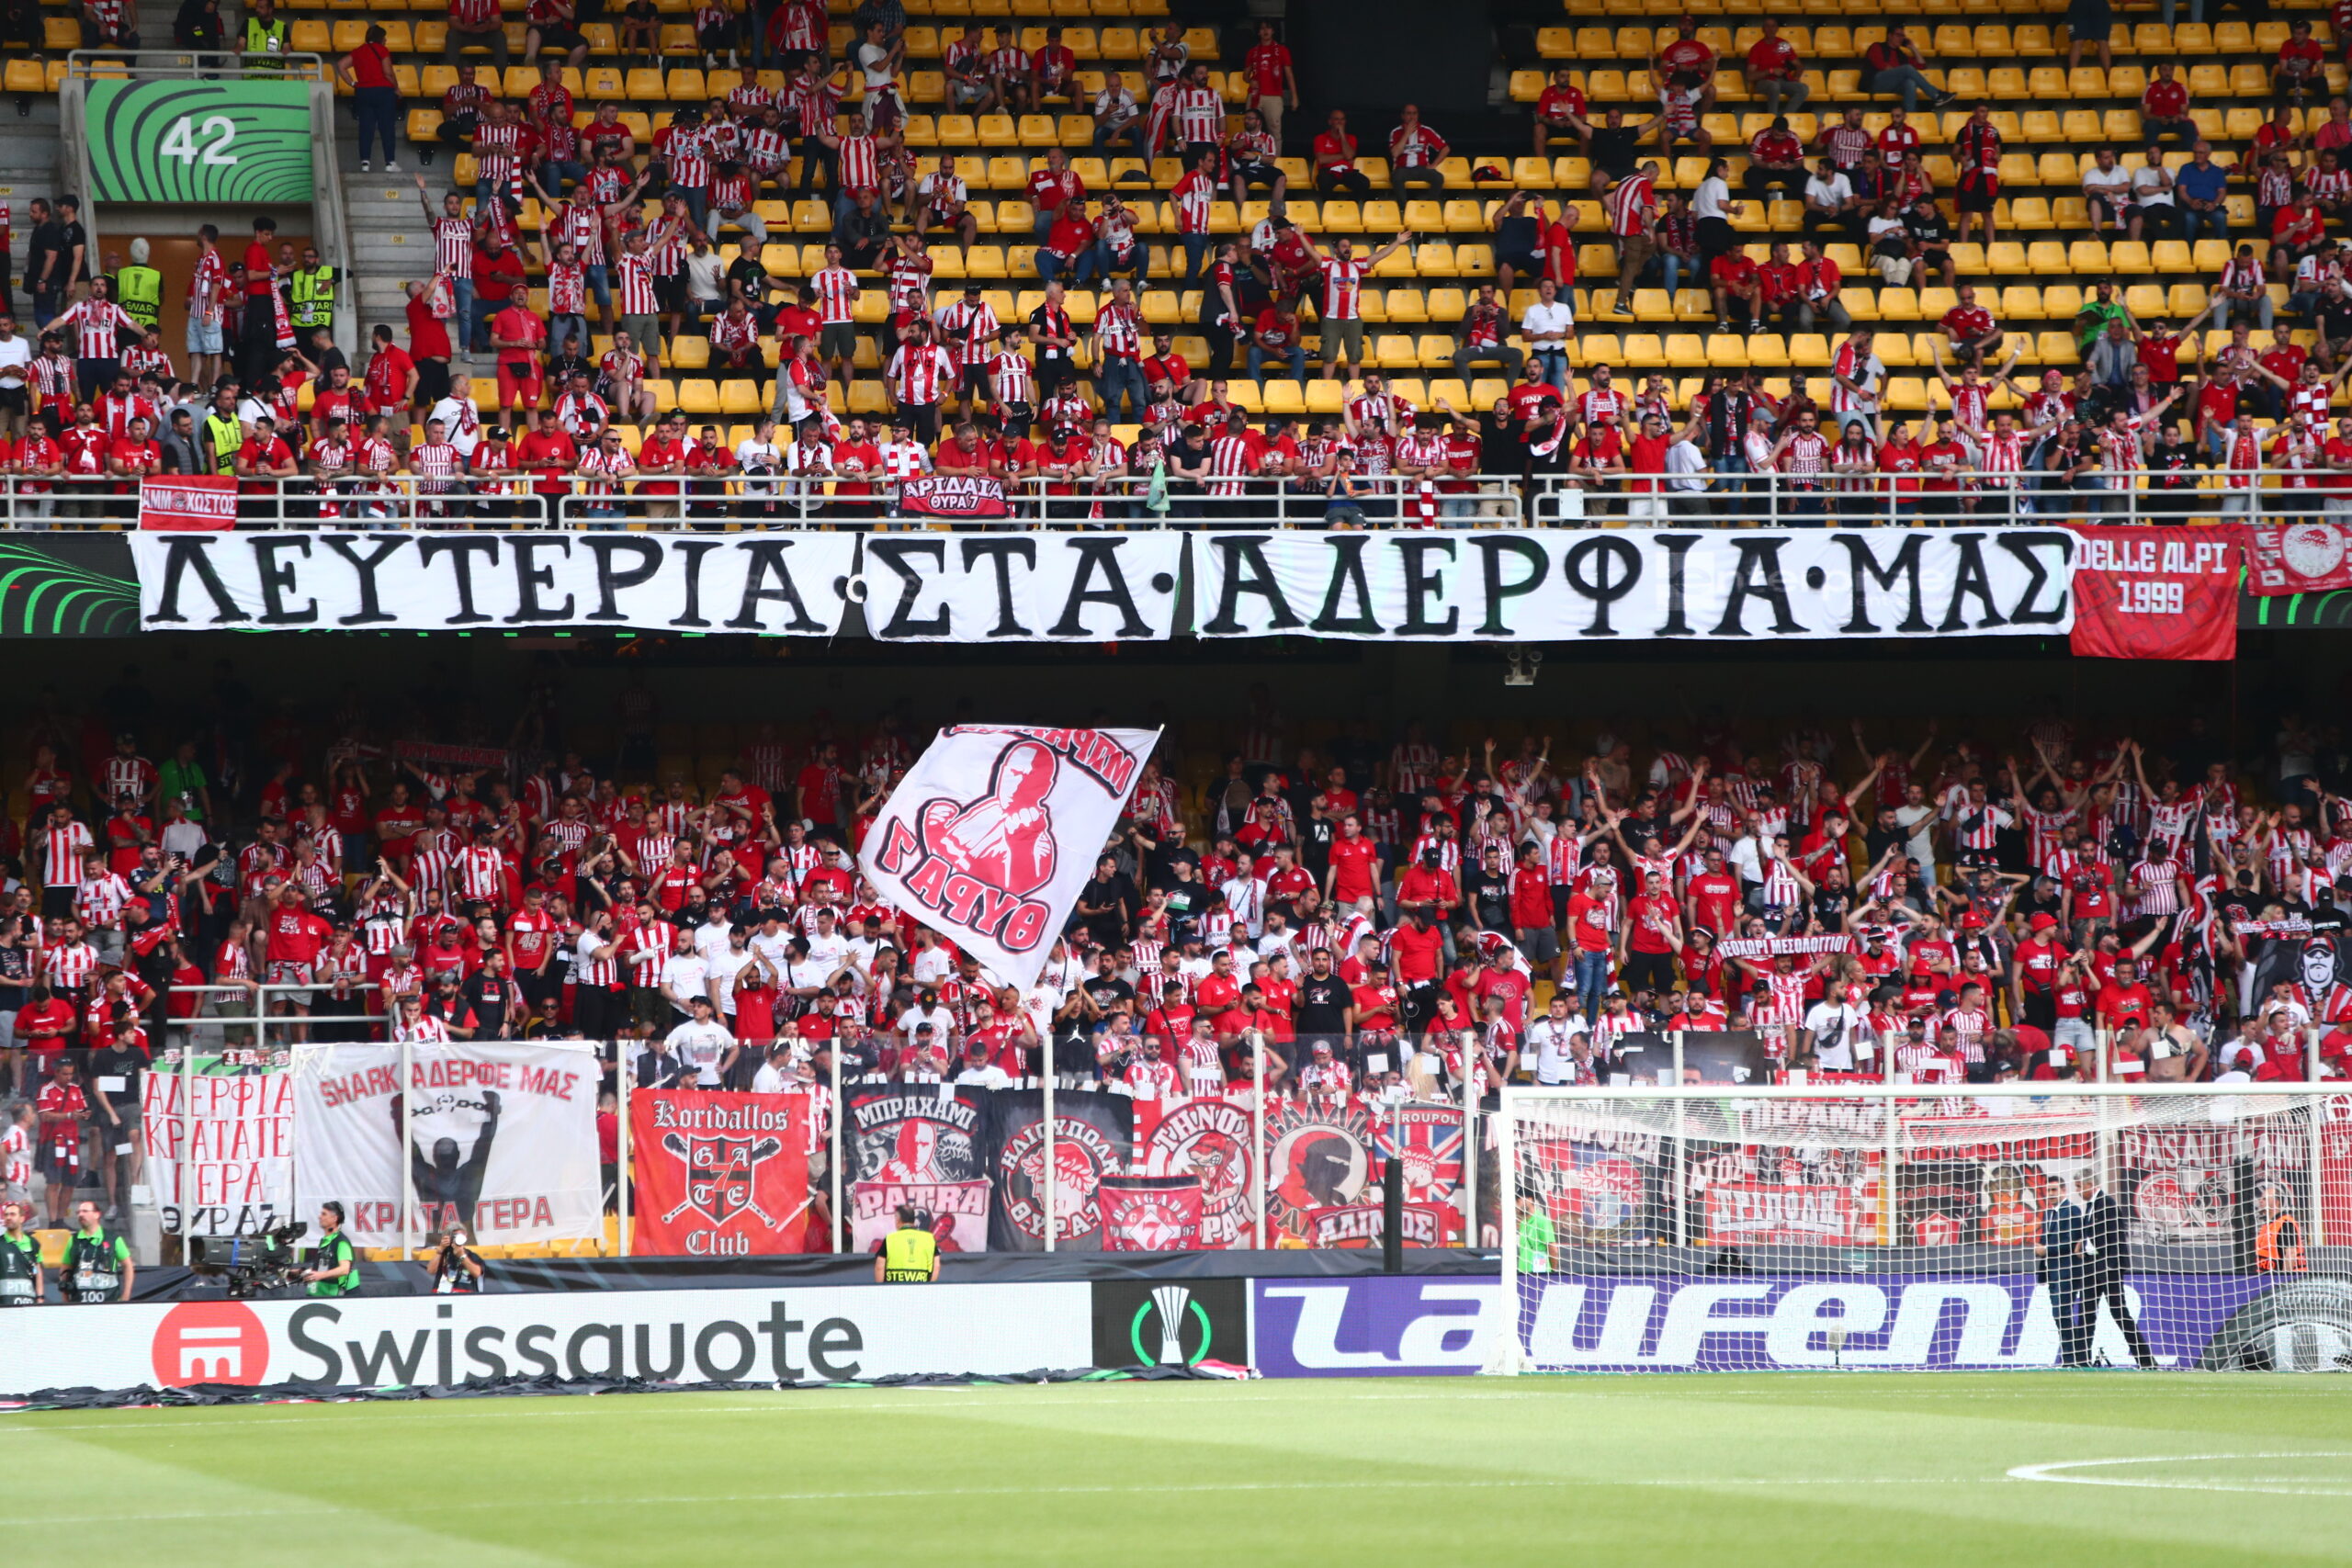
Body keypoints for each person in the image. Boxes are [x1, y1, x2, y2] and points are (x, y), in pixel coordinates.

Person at [2038, 1167, 2154, 1368]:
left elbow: (2112, 1238)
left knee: (2120, 1314)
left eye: (2079, 1186)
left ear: (2090, 1185)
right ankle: (2081, 1361)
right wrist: (2084, 1242)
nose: (2078, 1191)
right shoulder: (2090, 1206)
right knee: (2085, 1314)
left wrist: (2084, 1244)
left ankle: (2146, 1360)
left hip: (2108, 1269)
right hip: (2092, 1269)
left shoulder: (2107, 1204)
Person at [61, 1197, 132, 1303]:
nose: (80, 1215)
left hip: (109, 1301)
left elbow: (128, 1266)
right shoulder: (73, 1241)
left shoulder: (113, 1239)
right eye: (78, 1212)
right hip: (79, 1302)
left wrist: (126, 1295)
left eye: (85, 1211)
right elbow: (65, 1270)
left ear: (97, 1214)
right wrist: (65, 1296)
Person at [300, 1199, 360, 1296]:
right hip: (328, 1293)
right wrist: (303, 1273)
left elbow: (344, 1269)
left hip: (344, 1295)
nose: (319, 1217)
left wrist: (320, 1275)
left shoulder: (341, 1242)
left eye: (324, 1214)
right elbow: (324, 1265)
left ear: (334, 1219)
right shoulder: (325, 1241)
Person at [875, 1200, 940, 1281]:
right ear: (913, 1219)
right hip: (921, 1289)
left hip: (894, 1290)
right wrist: (929, 1286)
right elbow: (936, 1266)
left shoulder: (890, 1239)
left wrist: (881, 1289)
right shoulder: (929, 1239)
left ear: (898, 1220)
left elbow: (880, 1267)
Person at [0, 1200, 40, 1306]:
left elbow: (37, 1271)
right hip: (5, 1303)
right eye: (6, 1215)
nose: (8, 1217)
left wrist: (40, 1298)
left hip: (29, 1301)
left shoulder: (33, 1243)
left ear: (22, 1218)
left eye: (12, 1214)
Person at [427, 1221, 484, 1293]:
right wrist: (440, 1250)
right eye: (454, 1236)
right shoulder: (442, 1254)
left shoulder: (471, 1255)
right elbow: (431, 1270)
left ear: (465, 1237)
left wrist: (462, 1255)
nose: (457, 1239)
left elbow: (477, 1273)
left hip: (465, 1295)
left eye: (460, 1236)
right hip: (442, 1295)